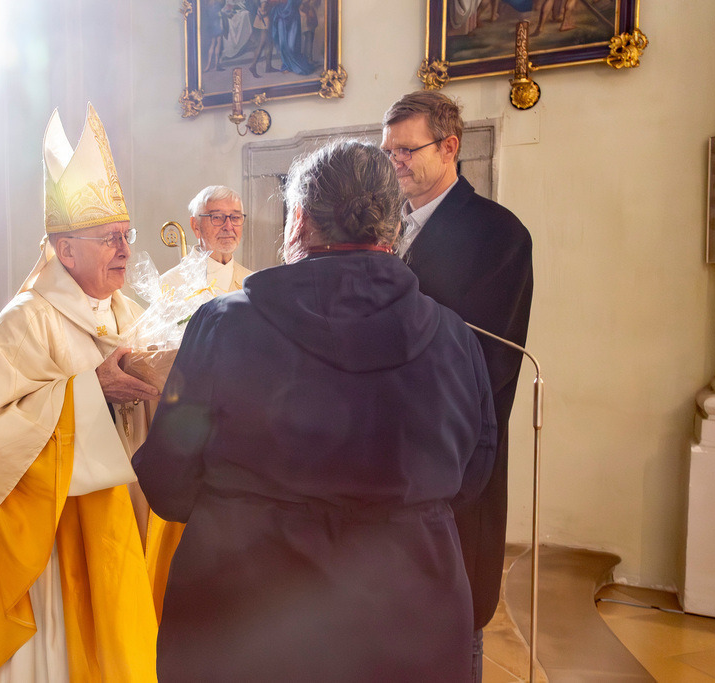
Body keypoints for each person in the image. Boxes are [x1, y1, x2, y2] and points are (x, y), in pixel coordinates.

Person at [133, 140, 497, 681]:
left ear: (298, 220)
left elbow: (167, 482)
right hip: (408, 620)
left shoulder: (224, 325)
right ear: (393, 227)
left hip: (245, 622)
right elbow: (473, 476)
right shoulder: (454, 337)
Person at [0, 104, 182, 682]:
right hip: (52, 541)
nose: (125, 250)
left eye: (125, 235)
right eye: (109, 239)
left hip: (123, 513)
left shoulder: (128, 312)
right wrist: (89, 392)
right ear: (64, 249)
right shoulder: (25, 321)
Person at [381, 90, 534, 680]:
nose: (395, 162)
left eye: (407, 150)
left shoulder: (497, 234)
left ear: (450, 147)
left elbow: (488, 364)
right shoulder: (386, 227)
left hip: (452, 457)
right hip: (387, 460)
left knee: (453, 618)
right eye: (388, 151)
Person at [160, 185, 253, 295]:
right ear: (195, 225)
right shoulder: (169, 284)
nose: (228, 226)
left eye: (236, 217)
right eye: (217, 217)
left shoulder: (254, 284)